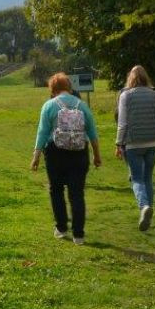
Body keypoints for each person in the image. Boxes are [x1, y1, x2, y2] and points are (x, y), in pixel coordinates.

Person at [30, 72, 102, 245]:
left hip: (55, 153)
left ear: (53, 89)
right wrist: (96, 155)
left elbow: (42, 132)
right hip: (79, 152)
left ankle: (61, 228)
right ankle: (79, 235)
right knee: (77, 193)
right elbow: (92, 133)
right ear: (69, 87)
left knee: (56, 190)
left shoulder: (49, 106)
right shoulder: (82, 105)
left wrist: (36, 156)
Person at [115, 65, 155, 231]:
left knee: (137, 178)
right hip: (153, 143)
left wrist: (118, 143)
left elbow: (122, 123)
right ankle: (148, 214)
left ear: (130, 78)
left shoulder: (125, 96)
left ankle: (144, 206)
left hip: (133, 143)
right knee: (148, 179)